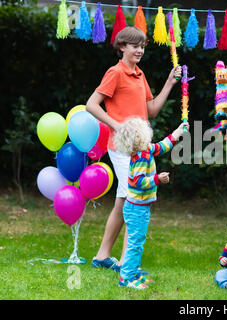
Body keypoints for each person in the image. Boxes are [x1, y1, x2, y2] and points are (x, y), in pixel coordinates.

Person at [86, 26, 182, 273]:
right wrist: (117, 126)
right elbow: (91, 105)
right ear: (121, 47)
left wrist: (170, 83)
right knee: (136, 198)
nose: (139, 50)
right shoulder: (115, 72)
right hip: (122, 146)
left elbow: (152, 110)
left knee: (123, 200)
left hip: (140, 147)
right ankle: (127, 263)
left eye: (142, 46)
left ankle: (103, 256)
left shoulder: (139, 74)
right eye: (134, 45)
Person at [113, 117, 189, 289]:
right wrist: (157, 179)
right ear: (140, 136)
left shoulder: (146, 150)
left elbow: (163, 146)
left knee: (138, 242)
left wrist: (179, 131)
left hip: (139, 207)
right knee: (135, 243)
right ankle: (125, 278)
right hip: (136, 209)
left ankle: (132, 273)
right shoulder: (139, 156)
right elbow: (138, 182)